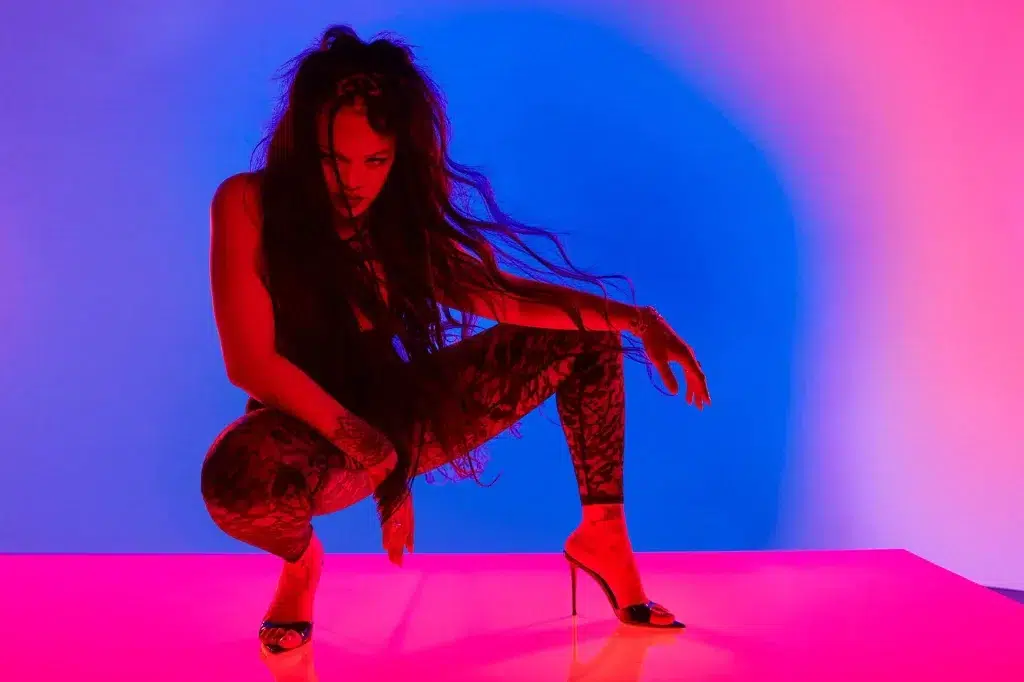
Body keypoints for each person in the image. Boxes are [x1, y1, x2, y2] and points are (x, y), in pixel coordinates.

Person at [200, 24, 711, 655]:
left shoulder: (396, 226)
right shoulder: (248, 203)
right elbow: (251, 364)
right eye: (334, 159)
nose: (353, 182)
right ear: (306, 144)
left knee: (588, 337)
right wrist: (379, 459)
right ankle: (302, 566)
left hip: (402, 411)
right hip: (305, 435)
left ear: (399, 157)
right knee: (235, 477)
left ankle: (604, 536)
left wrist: (637, 318)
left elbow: (505, 298)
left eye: (375, 161)